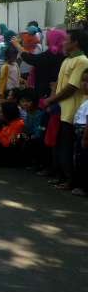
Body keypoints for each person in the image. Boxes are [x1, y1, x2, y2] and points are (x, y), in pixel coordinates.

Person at [43, 30, 88, 191]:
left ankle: (71, 180)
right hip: (61, 109)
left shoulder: (82, 61)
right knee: (59, 144)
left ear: (75, 42)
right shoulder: (67, 60)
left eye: (67, 40)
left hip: (72, 112)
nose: (63, 42)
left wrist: (51, 99)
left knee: (69, 147)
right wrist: (52, 99)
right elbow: (59, 84)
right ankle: (61, 176)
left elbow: (72, 87)